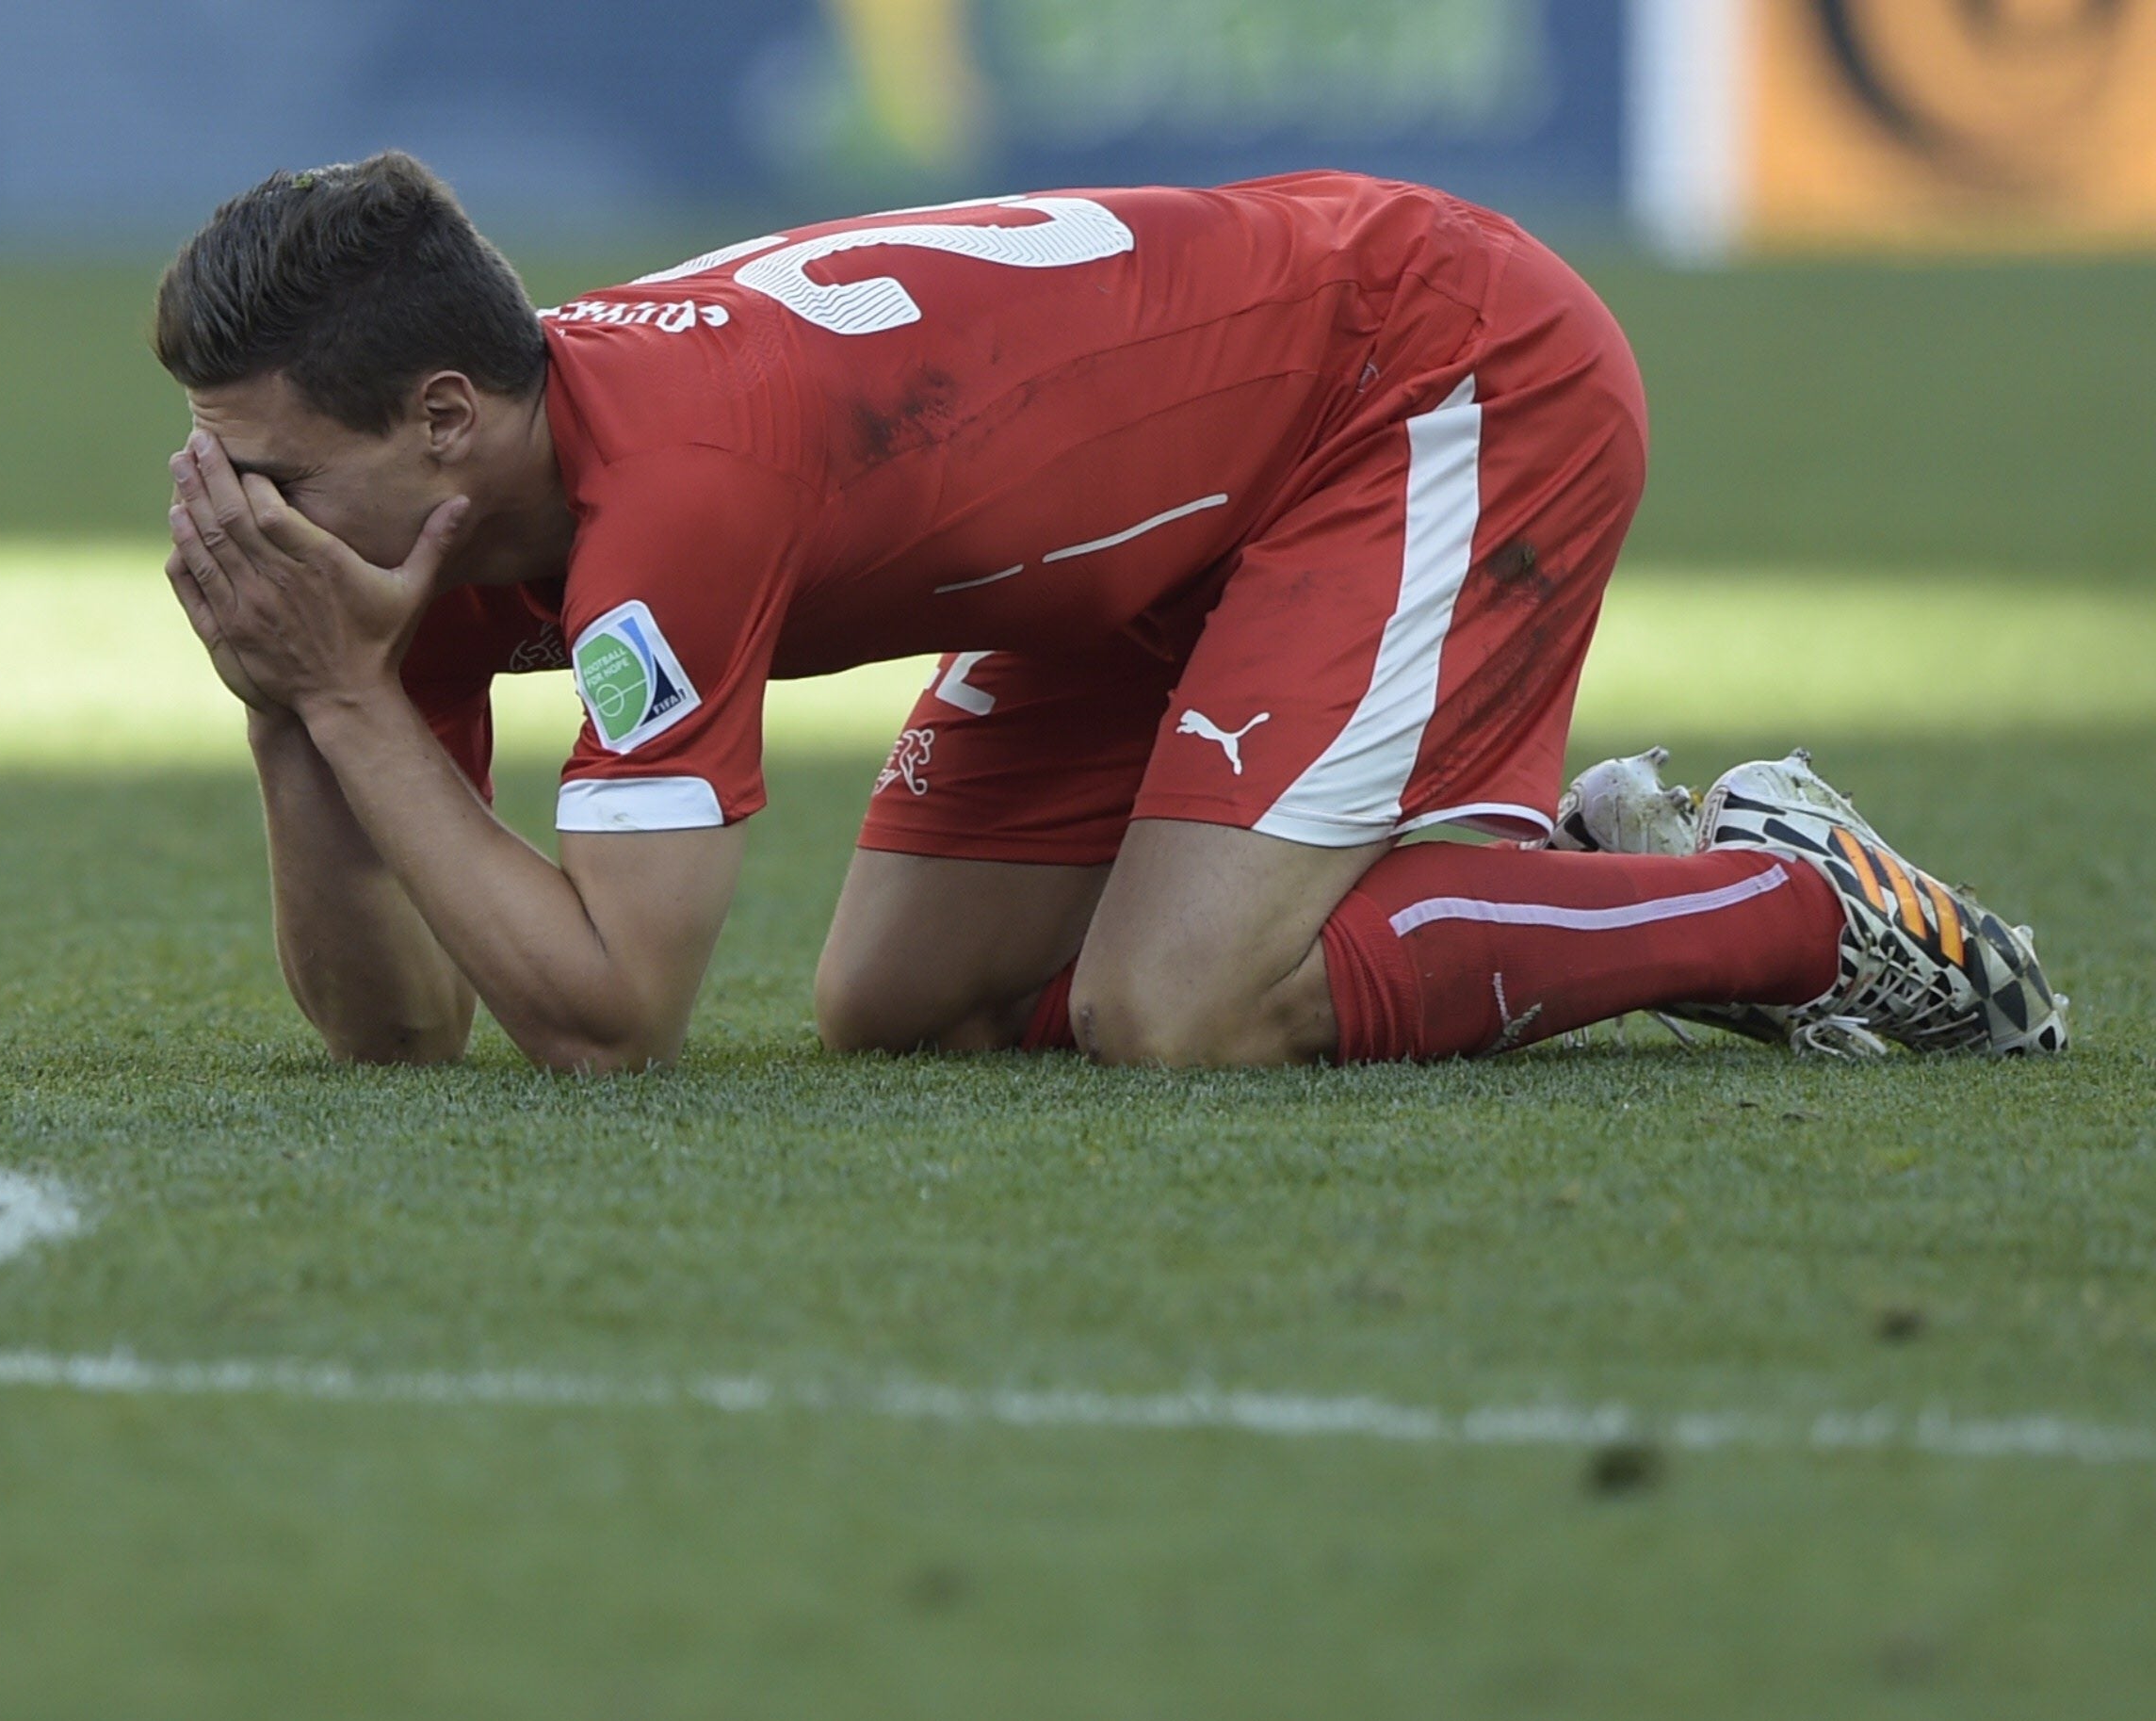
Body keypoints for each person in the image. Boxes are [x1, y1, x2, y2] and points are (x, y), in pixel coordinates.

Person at [154, 154, 2066, 1073]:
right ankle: (1470, 861)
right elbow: (402, 1034)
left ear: (444, 420)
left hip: (1419, 380)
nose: (243, 518)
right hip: (1142, 536)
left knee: (1181, 1007)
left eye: (277, 475)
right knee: (904, 1008)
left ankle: (1804, 905)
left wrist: (348, 697)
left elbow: (606, 1026)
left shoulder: (675, 493)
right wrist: (297, 708)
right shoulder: (430, 516)